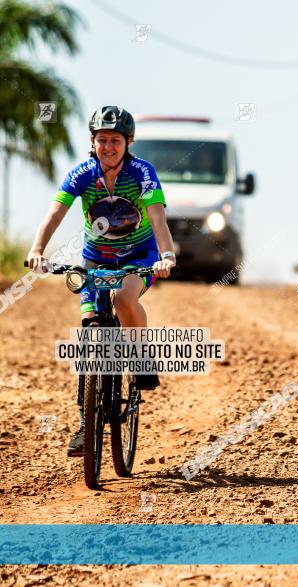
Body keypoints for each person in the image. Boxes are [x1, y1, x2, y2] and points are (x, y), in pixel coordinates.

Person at [25, 105, 177, 456]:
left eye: (115, 141)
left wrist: (166, 256)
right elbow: (55, 212)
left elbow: (157, 218)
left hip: (139, 256)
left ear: (129, 142)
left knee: (124, 300)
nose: (108, 147)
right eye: (102, 140)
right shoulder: (82, 173)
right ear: (91, 142)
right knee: (91, 329)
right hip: (96, 259)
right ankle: (84, 425)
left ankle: (140, 359)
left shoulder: (142, 172)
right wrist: (37, 249)